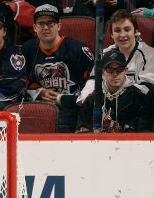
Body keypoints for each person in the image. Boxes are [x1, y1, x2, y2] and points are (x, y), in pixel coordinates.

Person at [22, 4, 94, 132]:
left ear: (59, 26)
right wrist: (39, 93)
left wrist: (69, 99)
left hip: (72, 109)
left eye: (50, 23)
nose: (45, 28)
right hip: (41, 109)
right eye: (41, 23)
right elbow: (21, 82)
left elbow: (92, 84)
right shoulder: (27, 50)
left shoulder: (78, 50)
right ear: (34, 28)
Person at [77, 9, 154, 105]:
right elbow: (93, 81)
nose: (122, 35)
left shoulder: (150, 54)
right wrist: (84, 99)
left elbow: (145, 90)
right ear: (112, 35)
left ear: (135, 32)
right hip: (106, 107)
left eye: (127, 29)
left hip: (137, 110)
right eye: (117, 30)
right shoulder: (104, 54)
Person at [76, 50, 153, 132]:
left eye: (119, 69)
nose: (115, 74)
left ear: (125, 71)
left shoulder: (140, 98)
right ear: (103, 72)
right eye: (110, 70)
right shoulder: (92, 99)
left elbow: (145, 133)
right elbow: (81, 132)